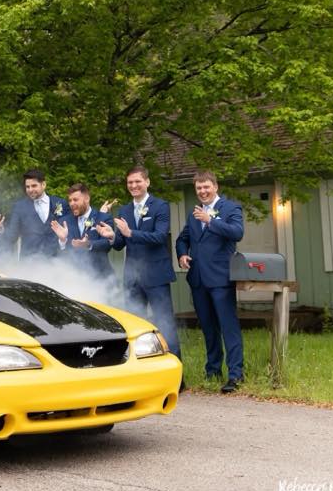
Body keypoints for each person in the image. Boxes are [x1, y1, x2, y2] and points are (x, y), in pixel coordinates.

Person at [96, 166, 181, 361]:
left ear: (147, 182)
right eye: (130, 183)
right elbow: (120, 244)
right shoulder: (125, 209)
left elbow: (160, 237)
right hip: (132, 278)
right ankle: (143, 370)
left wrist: (130, 233)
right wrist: (111, 237)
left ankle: (177, 375)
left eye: (137, 181)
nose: (133, 185)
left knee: (164, 324)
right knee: (136, 327)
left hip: (156, 276)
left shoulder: (160, 206)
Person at [175, 171, 245, 393]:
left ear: (215, 186)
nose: (202, 191)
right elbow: (182, 238)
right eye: (198, 188)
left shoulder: (230, 208)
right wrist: (182, 254)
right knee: (208, 328)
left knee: (228, 327)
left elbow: (237, 232)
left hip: (221, 278)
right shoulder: (194, 213)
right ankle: (212, 370)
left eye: (206, 187)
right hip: (198, 279)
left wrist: (211, 221)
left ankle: (236, 374)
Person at [50, 183, 114, 280]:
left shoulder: (103, 217)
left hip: (101, 280)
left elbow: (107, 244)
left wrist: (88, 244)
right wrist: (62, 241)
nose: (71, 203)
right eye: (70, 200)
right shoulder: (64, 221)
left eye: (75, 200)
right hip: (74, 280)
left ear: (87, 199)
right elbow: (56, 254)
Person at [5, 169, 69, 260]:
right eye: (27, 187)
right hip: (29, 263)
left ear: (43, 184)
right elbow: (12, 235)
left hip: (56, 262)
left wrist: (63, 240)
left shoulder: (60, 203)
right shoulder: (19, 207)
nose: (30, 190)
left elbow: (69, 233)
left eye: (34, 186)